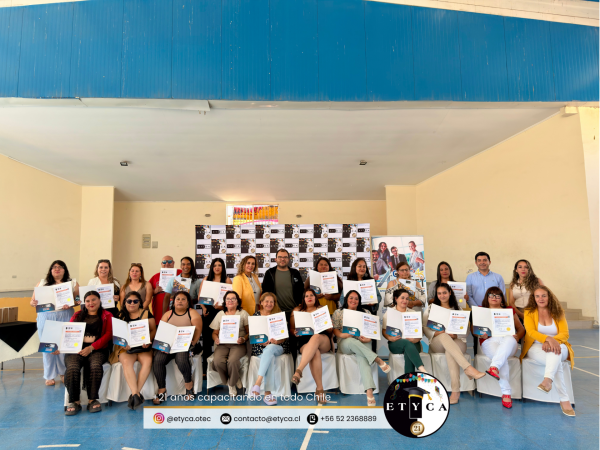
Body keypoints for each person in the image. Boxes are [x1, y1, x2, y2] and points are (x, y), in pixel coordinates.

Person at [424, 283, 486, 404]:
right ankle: (468, 368)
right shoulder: (431, 308)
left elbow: (466, 331)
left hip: (456, 341)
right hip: (437, 341)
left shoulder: (458, 309)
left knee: (450, 351)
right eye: (439, 293)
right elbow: (425, 328)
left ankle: (455, 391)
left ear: (450, 293)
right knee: (444, 336)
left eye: (444, 293)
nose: (442, 295)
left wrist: (456, 335)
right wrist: (436, 333)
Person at [520, 286, 575, 416]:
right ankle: (564, 399)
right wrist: (547, 339)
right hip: (536, 346)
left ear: (549, 297)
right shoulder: (529, 312)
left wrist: (552, 341)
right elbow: (531, 332)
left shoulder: (558, 311)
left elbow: (565, 334)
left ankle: (547, 381)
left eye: (544, 295)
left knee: (554, 353)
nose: (541, 298)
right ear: (533, 298)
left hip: (559, 345)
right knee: (555, 361)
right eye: (537, 296)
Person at [332, 290, 391, 406]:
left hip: (363, 341)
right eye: (351, 298)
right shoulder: (338, 312)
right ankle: (377, 359)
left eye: (356, 298)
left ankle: (369, 392)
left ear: (359, 301)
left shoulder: (366, 312)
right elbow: (335, 329)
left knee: (363, 356)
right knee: (352, 341)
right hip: (345, 342)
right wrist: (343, 335)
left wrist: (369, 339)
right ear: (346, 299)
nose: (353, 300)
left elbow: (371, 330)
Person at [30, 260, 80, 386]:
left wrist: (72, 303)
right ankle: (49, 375)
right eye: (54, 267)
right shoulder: (42, 283)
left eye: (60, 267)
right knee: (48, 347)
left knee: (64, 346)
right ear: (51, 270)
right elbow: (32, 301)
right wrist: (33, 303)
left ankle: (63, 373)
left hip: (65, 315)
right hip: (45, 317)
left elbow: (78, 300)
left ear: (65, 270)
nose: (57, 269)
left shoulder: (73, 283)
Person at [63, 290, 113, 415]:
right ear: (84, 303)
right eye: (87, 301)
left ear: (99, 300)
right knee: (72, 367)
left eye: (94, 300)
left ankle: (92, 400)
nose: (91, 303)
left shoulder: (107, 315)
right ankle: (75, 402)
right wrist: (60, 346)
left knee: (95, 366)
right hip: (76, 350)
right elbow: (68, 332)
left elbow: (108, 334)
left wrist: (91, 348)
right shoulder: (77, 315)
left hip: (98, 350)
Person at [475, 287, 525, 409]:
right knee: (500, 358)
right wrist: (481, 334)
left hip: (509, 342)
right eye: (491, 295)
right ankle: (506, 392)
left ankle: (494, 367)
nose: (494, 298)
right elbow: (474, 330)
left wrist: (517, 336)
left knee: (508, 339)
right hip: (489, 341)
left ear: (502, 298)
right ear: (487, 297)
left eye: (498, 295)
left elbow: (521, 329)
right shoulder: (481, 310)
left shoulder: (509, 310)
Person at [153, 291, 202, 404]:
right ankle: (162, 391)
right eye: (177, 299)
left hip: (186, 345)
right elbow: (162, 332)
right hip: (169, 345)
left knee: (181, 359)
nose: (180, 301)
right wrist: (164, 347)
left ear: (188, 302)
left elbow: (198, 330)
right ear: (173, 302)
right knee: (158, 360)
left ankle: (189, 386)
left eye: (183, 299)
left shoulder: (192, 312)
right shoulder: (168, 314)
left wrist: (192, 343)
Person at [290, 289, 334, 404]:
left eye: (312, 295)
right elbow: (291, 329)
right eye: (306, 296)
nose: (309, 297)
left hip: (322, 340)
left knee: (316, 336)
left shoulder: (322, 309)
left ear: (315, 297)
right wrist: (294, 332)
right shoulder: (297, 311)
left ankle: (299, 370)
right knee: (315, 352)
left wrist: (330, 327)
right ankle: (320, 389)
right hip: (304, 342)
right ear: (303, 299)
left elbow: (330, 331)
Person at [114, 291, 156, 410]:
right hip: (126, 348)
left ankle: (135, 394)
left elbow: (153, 330)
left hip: (143, 347)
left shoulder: (146, 313)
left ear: (139, 303)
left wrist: (148, 341)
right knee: (126, 362)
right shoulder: (120, 316)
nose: (132, 303)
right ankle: (136, 394)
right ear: (125, 303)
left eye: (135, 301)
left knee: (148, 361)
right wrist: (123, 344)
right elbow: (117, 336)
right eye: (129, 301)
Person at [261, 248, 305, 360]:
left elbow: (301, 292)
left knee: (295, 340)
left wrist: (300, 307)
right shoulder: (269, 273)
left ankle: (294, 365)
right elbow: (265, 293)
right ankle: (281, 367)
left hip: (294, 313)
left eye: (285, 257)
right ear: (275, 259)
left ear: (288, 259)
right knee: (279, 341)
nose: (282, 259)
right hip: (276, 313)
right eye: (280, 257)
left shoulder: (295, 273)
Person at [249, 293, 290, 406]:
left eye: (272, 301)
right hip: (260, 348)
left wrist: (277, 341)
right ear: (261, 302)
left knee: (270, 348)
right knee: (269, 355)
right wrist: (260, 341)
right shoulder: (256, 316)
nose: (269, 304)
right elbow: (253, 335)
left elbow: (284, 337)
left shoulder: (279, 315)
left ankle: (257, 383)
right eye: (266, 301)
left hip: (278, 346)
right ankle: (268, 394)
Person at [210, 291, 250, 397]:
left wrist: (243, 339)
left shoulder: (243, 313)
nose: (230, 301)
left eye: (233, 299)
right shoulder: (220, 314)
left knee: (232, 361)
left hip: (238, 344)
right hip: (223, 344)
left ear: (238, 302)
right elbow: (214, 333)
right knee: (217, 362)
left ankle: (231, 385)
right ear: (225, 302)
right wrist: (216, 339)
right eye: (228, 299)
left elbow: (249, 332)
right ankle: (233, 379)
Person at [196, 258, 232, 373]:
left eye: (219, 265)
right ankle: (205, 371)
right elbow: (200, 297)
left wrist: (221, 307)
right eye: (215, 265)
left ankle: (221, 369)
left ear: (223, 267)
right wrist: (204, 308)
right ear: (211, 267)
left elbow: (230, 300)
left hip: (221, 313)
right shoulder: (206, 279)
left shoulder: (227, 280)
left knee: (221, 341)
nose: (217, 267)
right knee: (207, 342)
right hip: (208, 313)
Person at [383, 289, 429, 375]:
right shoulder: (389, 313)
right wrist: (390, 338)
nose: (405, 301)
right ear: (396, 298)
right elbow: (384, 331)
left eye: (407, 299)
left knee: (409, 347)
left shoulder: (413, 313)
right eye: (402, 298)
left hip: (414, 343)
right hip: (396, 343)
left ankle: (408, 379)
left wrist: (415, 340)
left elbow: (420, 332)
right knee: (407, 344)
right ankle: (422, 369)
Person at [343, 257, 383, 352]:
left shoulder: (371, 281)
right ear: (354, 267)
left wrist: (374, 302)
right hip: (353, 313)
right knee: (355, 336)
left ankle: (372, 356)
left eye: (364, 266)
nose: (362, 268)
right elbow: (342, 299)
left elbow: (379, 297)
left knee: (369, 336)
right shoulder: (349, 281)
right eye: (359, 266)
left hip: (368, 312)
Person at [507, 259, 544, 324]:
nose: (523, 269)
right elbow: (511, 302)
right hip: (517, 313)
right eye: (520, 267)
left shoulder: (537, 281)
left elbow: (543, 297)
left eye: (526, 267)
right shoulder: (513, 284)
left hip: (533, 311)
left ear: (529, 269)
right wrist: (520, 314)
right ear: (516, 270)